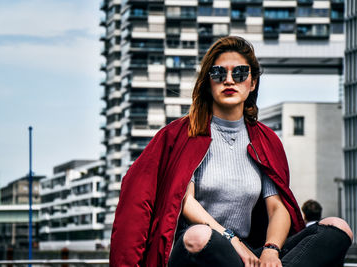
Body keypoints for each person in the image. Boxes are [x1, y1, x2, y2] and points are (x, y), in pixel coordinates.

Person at [110, 36, 353, 267]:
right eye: (218, 72)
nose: (229, 80)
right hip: (198, 248)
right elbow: (186, 202)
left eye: (240, 73)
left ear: (253, 82)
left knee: (337, 228)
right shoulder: (183, 135)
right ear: (208, 81)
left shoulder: (266, 140)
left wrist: (270, 249)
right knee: (199, 235)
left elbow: (278, 207)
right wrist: (230, 239)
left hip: (248, 252)